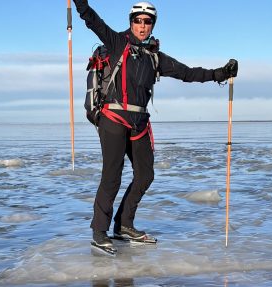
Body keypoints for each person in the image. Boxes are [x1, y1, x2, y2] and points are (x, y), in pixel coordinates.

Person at [74, 0, 238, 251]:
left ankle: (124, 225)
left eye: (147, 21)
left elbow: (188, 73)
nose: (142, 25)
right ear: (131, 22)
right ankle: (99, 232)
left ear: (152, 25)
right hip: (114, 118)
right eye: (137, 20)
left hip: (139, 122)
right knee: (112, 176)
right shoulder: (117, 43)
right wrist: (80, 2)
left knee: (145, 175)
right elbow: (92, 20)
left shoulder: (154, 56)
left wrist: (220, 74)